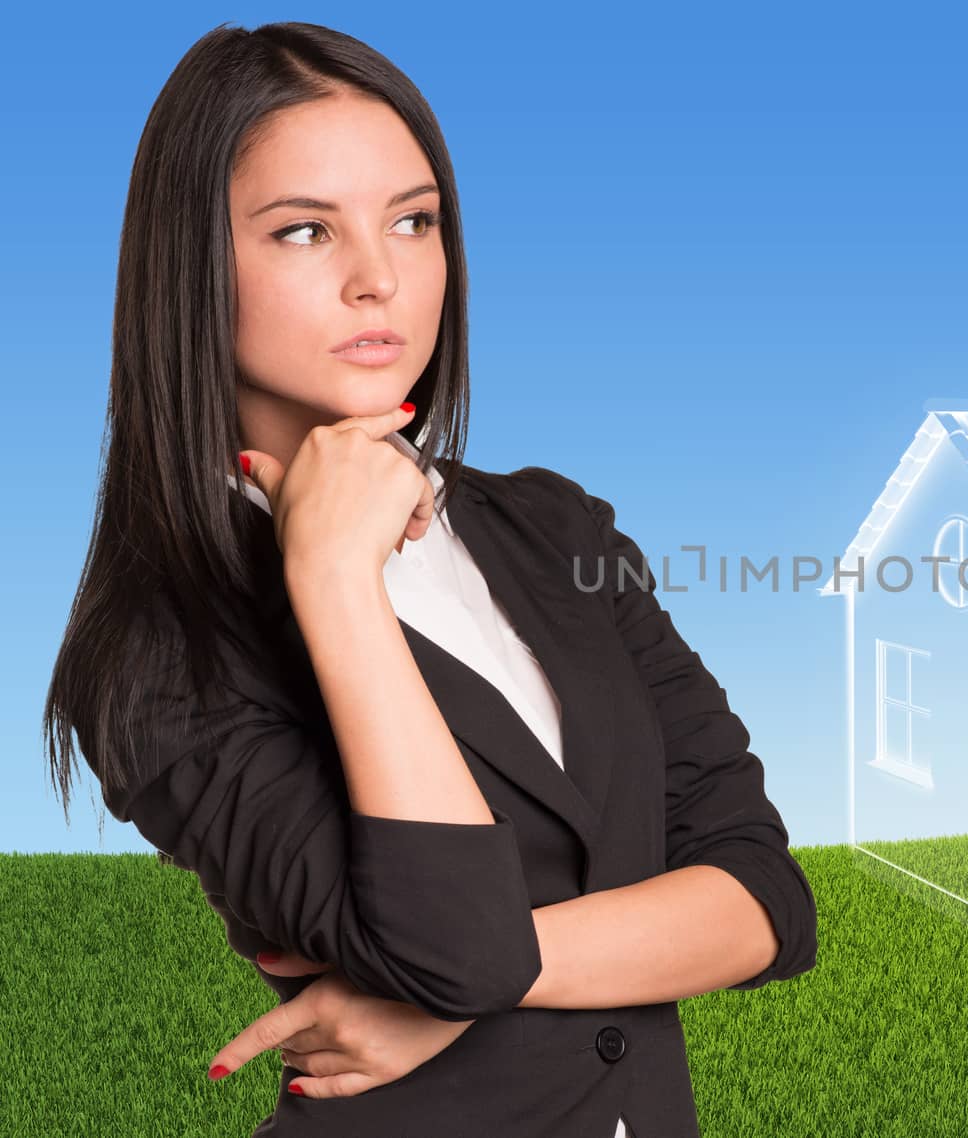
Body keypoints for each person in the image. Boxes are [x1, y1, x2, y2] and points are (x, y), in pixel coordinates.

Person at [42, 20, 818, 1137]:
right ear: (188, 269)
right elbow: (455, 940)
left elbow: (762, 898)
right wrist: (332, 577)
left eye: (413, 220)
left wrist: (474, 986)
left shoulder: (553, 525)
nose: (380, 279)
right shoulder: (153, 654)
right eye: (305, 231)